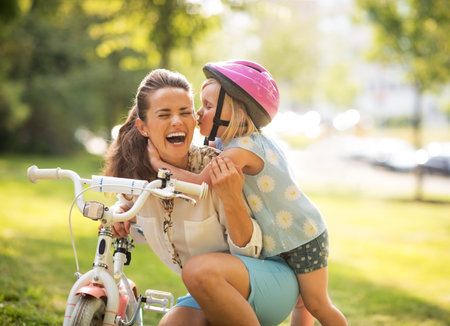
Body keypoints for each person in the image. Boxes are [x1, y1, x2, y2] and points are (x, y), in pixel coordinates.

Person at [147, 60, 347, 326]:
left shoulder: (241, 149)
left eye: (207, 106)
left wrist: (157, 164)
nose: (197, 114)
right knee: (302, 303)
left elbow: (199, 185)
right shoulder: (227, 142)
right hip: (279, 240)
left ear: (236, 112)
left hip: (302, 237)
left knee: (316, 304)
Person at [103, 68, 299, 326]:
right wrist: (121, 215)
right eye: (164, 114)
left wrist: (231, 199)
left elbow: (251, 251)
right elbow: (140, 226)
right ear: (143, 127)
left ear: (194, 120)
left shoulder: (214, 167)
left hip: (266, 282)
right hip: (206, 291)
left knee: (197, 271)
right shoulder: (139, 181)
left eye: (185, 112)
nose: (177, 121)